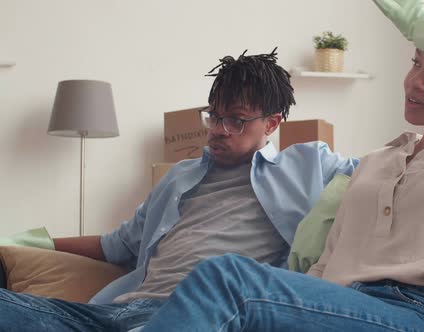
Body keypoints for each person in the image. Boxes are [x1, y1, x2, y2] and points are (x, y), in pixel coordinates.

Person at [140, 0, 424, 331]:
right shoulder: (376, 162)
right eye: (415, 63)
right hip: (335, 304)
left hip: (415, 315)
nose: (415, 81)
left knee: (226, 278)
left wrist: (419, 21)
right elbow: (324, 265)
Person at [0, 48, 358, 331]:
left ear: (272, 123)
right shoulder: (179, 177)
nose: (218, 129)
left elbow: (390, 170)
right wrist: (24, 242)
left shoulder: (309, 164)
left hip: (197, 315)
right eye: (214, 115)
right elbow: (116, 244)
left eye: (235, 120)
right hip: (115, 312)